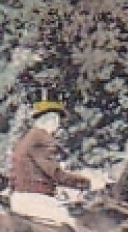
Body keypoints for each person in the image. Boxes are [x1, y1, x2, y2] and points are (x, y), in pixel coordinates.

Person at [8, 95, 91, 224]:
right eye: (58, 122)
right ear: (51, 120)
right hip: (35, 199)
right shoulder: (41, 138)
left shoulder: (27, 138)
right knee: (71, 230)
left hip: (21, 198)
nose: (57, 127)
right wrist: (85, 181)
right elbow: (55, 173)